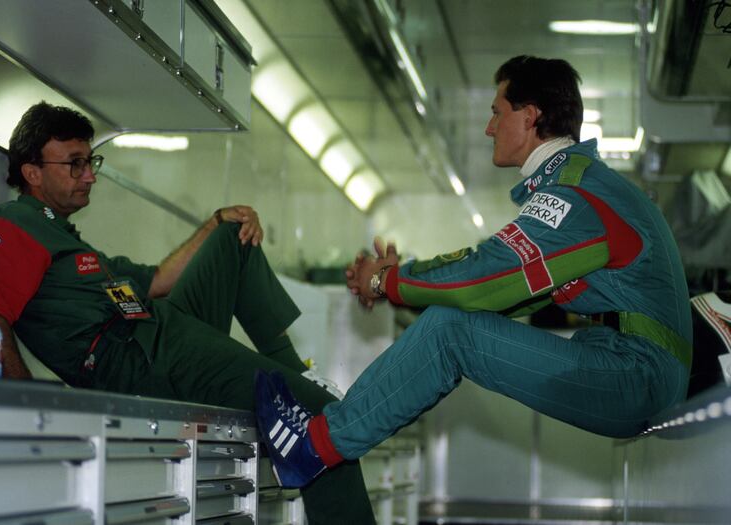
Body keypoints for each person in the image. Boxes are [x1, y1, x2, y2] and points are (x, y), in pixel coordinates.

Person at [254, 55, 693, 489]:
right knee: (456, 322)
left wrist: (385, 281)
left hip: (639, 374)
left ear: (530, 116)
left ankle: (312, 449)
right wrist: (402, 280)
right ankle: (324, 434)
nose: (488, 128)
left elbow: (484, 275)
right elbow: (501, 282)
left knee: (451, 330)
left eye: (496, 113)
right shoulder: (582, 185)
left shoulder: (576, 195)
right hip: (636, 367)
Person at [0, 102, 375, 524]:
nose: (89, 175)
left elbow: (159, 279)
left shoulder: (71, 243)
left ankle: (295, 371)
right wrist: (28, 409)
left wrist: (217, 221)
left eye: (90, 162)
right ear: (32, 172)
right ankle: (300, 390)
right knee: (325, 420)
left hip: (160, 334)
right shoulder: (14, 223)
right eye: (75, 164)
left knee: (232, 233)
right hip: (139, 358)